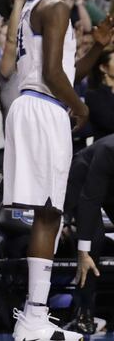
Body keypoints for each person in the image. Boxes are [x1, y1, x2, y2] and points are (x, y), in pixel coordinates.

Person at [3, 0, 113, 341]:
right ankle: (32, 318)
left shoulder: (39, 9)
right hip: (43, 109)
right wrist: (81, 106)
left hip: (35, 105)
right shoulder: (55, 9)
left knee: (47, 214)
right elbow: (53, 75)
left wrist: (97, 48)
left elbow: (64, 73)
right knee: (48, 212)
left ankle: (33, 316)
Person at [63, 134, 114, 334]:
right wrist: (83, 252)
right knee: (94, 240)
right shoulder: (108, 149)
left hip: (110, 185)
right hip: (82, 179)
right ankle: (84, 313)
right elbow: (90, 199)